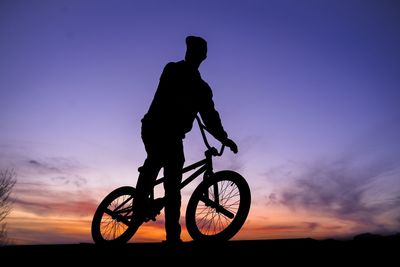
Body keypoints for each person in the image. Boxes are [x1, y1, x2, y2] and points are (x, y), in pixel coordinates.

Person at [135, 35, 238, 244]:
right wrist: (192, 105)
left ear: (204, 56)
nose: (195, 55)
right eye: (193, 51)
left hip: (174, 135)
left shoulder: (202, 88)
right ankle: (139, 207)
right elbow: (169, 95)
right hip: (155, 127)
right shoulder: (172, 70)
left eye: (199, 52)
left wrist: (224, 138)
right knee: (156, 161)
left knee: (173, 186)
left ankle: (173, 237)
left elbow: (210, 116)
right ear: (188, 51)